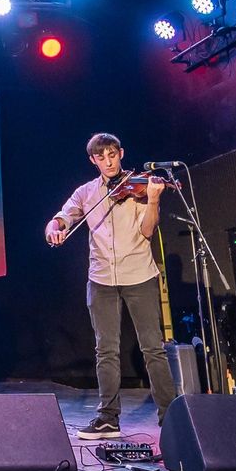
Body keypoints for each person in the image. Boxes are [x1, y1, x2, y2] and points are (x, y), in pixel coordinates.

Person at [45, 133, 174, 439]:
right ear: (93, 161)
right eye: (101, 157)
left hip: (139, 274)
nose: (108, 161)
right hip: (101, 278)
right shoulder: (87, 192)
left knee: (152, 348)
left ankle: (170, 416)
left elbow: (146, 231)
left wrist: (153, 199)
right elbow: (63, 217)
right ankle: (107, 418)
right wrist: (53, 228)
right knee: (106, 350)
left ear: (121, 153)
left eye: (112, 155)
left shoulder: (139, 187)